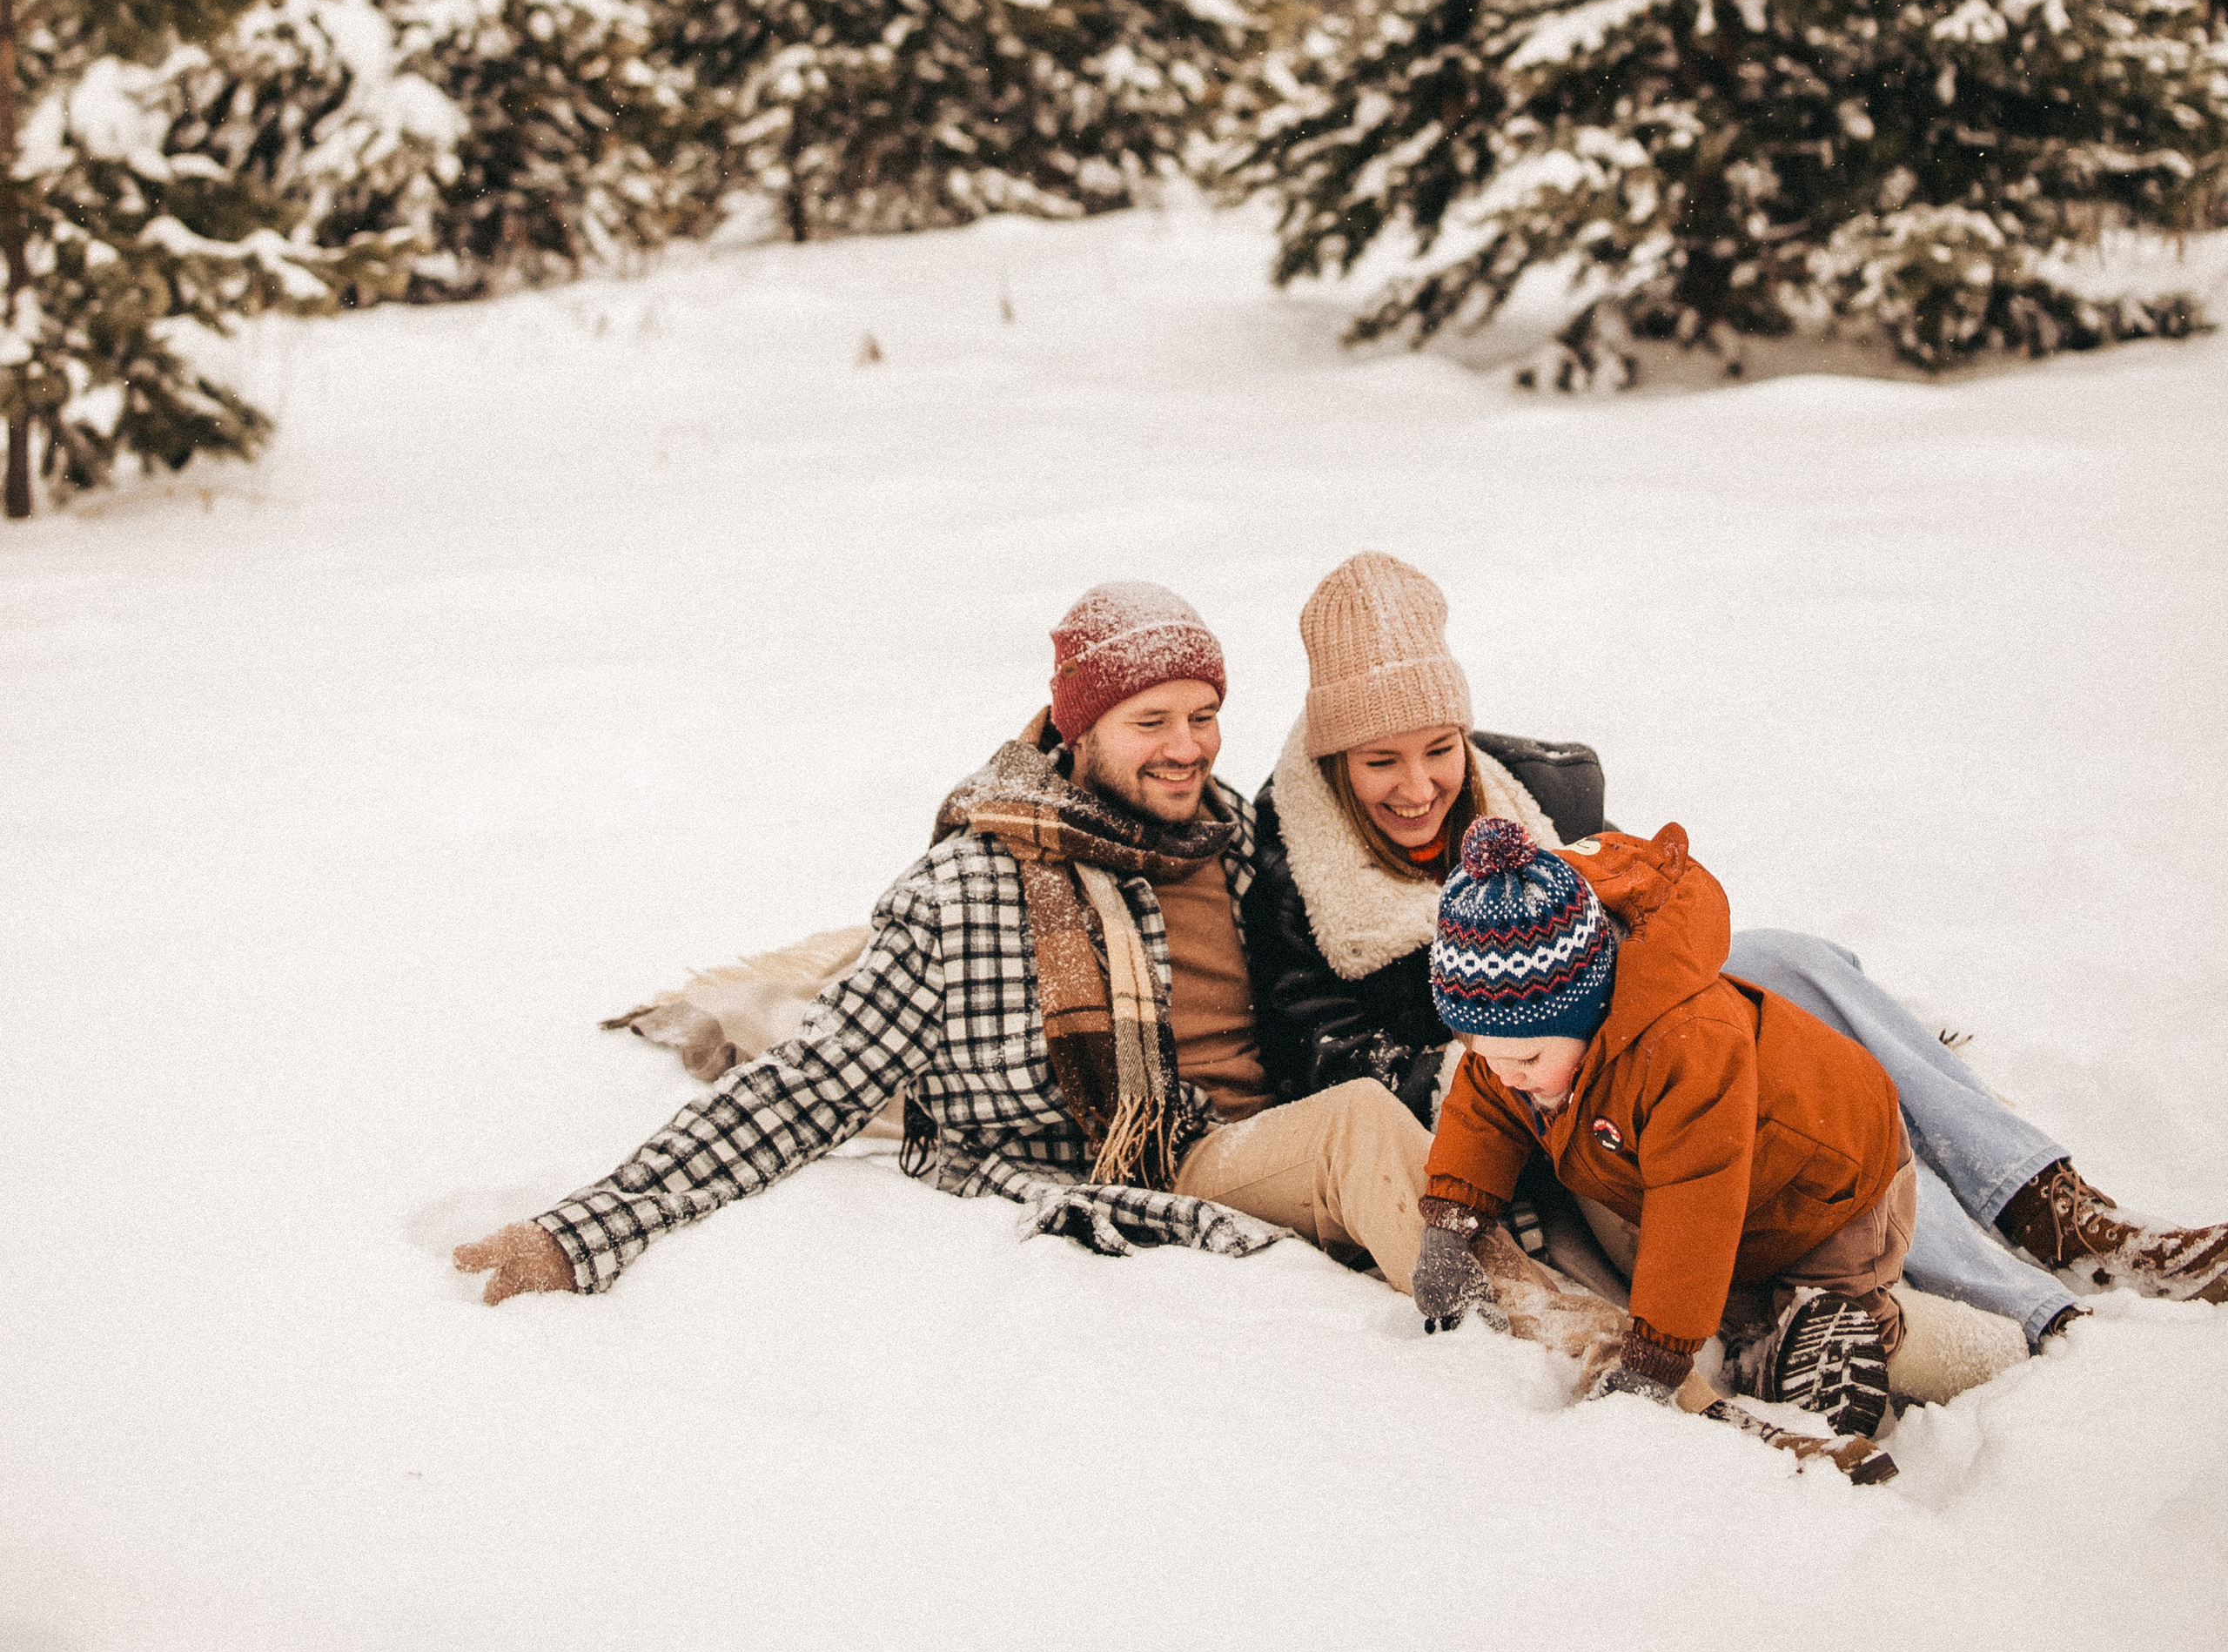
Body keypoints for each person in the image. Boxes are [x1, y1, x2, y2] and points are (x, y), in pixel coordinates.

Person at [454, 581, 1614, 1358]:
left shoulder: (1229, 833)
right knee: (1369, 1125)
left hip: (1278, 1122)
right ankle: (1533, 1342)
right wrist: (578, 1232)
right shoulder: (972, 890)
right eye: (1150, 720)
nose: (1187, 746)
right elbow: (799, 1092)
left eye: (1203, 714)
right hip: (1177, 1156)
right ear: (1081, 730)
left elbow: (1386, 804)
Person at [1245, 551, 2228, 1349]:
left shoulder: (1527, 799)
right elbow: (1322, 1062)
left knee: (1782, 969)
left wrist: (1637, 998)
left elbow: (1644, 917)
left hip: (1626, 1061)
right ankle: (2014, 1296)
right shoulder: (1297, 877)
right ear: (1334, 761)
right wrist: (1514, 1047)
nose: (1418, 788)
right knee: (1751, 1074)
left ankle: (2054, 1207)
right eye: (1381, 762)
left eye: (1437, 750)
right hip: (1542, 1125)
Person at [1415, 812, 1916, 1439]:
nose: (1506, 1076)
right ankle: (1769, 1330)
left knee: (1827, 1290)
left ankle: (1868, 1336)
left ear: (1588, 1009)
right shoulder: (1525, 1040)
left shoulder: (1686, 1047)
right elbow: (1483, 1109)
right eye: (1487, 1055)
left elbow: (1694, 1212)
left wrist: (1655, 1362)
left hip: (1832, 1177)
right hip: (1740, 1180)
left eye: (1527, 1060)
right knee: (1725, 1291)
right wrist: (1448, 1225)